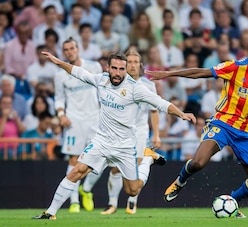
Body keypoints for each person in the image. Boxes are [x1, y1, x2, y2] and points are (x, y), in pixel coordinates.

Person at [145, 39, 248, 218]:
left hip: (246, 131)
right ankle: (180, 181)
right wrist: (168, 74)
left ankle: (231, 201)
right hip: (223, 123)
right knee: (198, 162)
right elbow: (201, 73)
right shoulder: (234, 67)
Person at [33, 51, 196, 220]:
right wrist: (58, 62)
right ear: (108, 68)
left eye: (121, 69)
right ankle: (50, 213)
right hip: (101, 142)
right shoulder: (101, 80)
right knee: (76, 171)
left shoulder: (135, 88)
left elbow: (161, 103)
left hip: (125, 146)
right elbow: (79, 72)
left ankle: (147, 160)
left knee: (132, 190)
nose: (118, 73)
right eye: (114, 68)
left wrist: (182, 114)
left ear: (125, 69)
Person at [79, 50, 162, 215]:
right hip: (119, 133)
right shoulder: (116, 83)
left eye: (135, 62)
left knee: (135, 167)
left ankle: (132, 202)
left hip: (139, 131)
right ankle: (112, 204)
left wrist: (157, 134)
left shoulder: (148, 85)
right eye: (129, 62)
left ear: (140, 65)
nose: (132, 65)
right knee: (116, 169)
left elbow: (154, 110)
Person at [54, 38, 103, 213]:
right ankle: (74, 201)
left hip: (95, 119)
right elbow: (59, 98)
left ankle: (86, 189)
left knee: (99, 159)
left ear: (78, 49)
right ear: (63, 52)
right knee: (74, 161)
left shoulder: (94, 67)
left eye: (71, 48)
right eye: (65, 49)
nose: (69, 52)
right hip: (73, 121)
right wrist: (61, 115)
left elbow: (102, 90)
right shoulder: (60, 74)